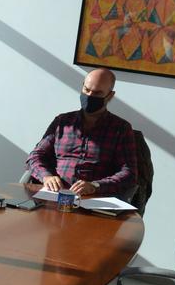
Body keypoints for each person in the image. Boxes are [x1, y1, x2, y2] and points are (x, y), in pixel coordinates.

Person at [25, 68, 137, 198]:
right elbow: (35, 156)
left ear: (110, 95)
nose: (89, 96)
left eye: (97, 93)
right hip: (54, 194)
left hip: (93, 199)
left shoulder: (121, 128)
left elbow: (129, 174)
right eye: (86, 90)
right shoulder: (62, 122)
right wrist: (47, 177)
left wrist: (95, 186)